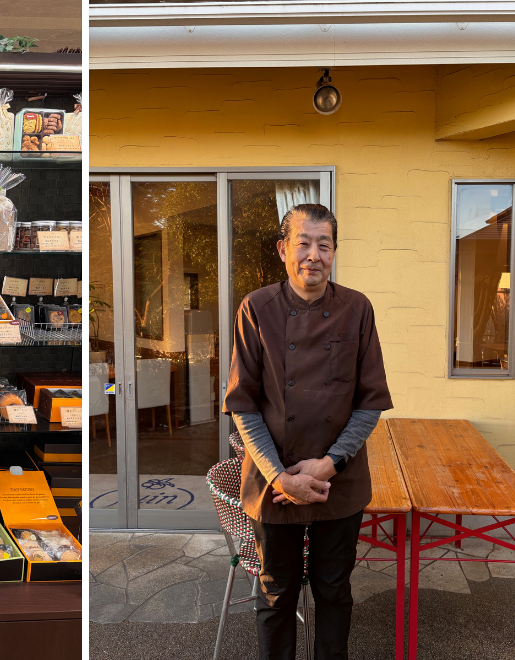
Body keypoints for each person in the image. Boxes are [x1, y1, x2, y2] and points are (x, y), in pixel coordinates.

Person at [222, 204, 393, 660]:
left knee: (334, 592)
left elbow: (370, 402)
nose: (313, 255)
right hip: (274, 484)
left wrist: (329, 463)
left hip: (340, 482)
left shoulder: (356, 308)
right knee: (276, 595)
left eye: (324, 244)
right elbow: (244, 405)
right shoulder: (256, 307)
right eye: (303, 243)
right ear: (283, 250)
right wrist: (281, 477)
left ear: (335, 252)